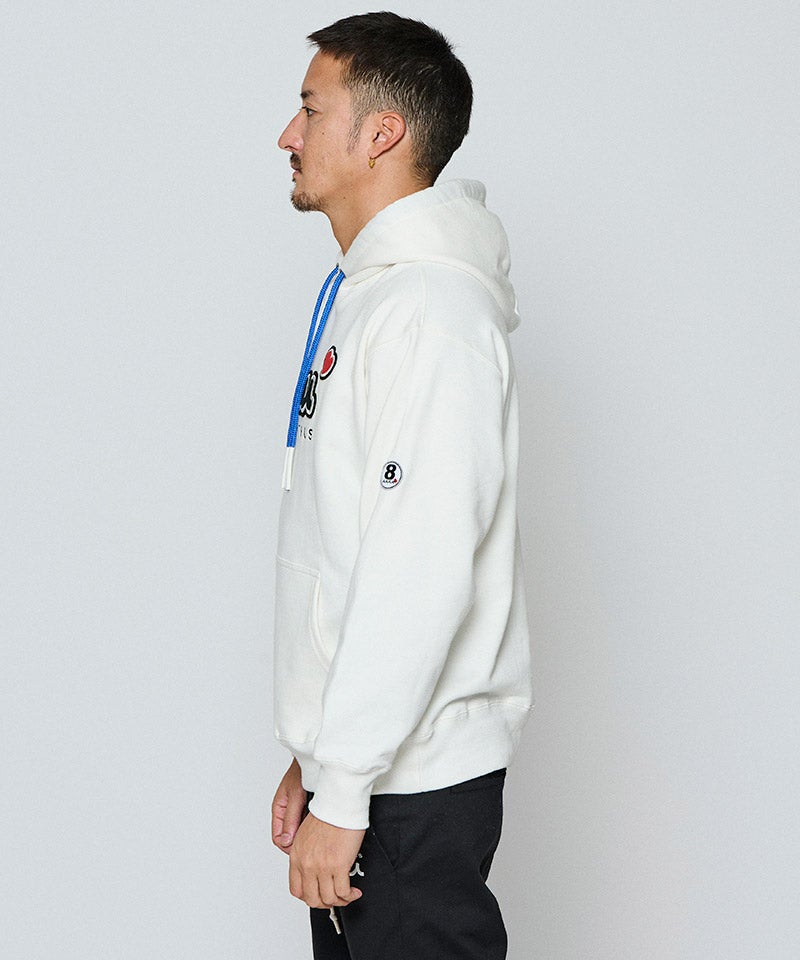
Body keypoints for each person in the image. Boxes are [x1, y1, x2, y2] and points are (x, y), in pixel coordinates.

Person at [269, 13, 533, 960]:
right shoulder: (371, 296)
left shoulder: (433, 313)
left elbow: (416, 569)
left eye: (311, 109)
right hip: (370, 770)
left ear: (382, 133)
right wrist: (318, 753)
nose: (288, 135)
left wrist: (345, 788)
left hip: (410, 787)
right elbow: (347, 546)